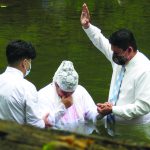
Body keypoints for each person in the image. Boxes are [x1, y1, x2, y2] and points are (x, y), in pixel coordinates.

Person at [80, 3, 150, 138]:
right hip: (113, 126)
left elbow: (144, 107)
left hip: (136, 130)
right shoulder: (119, 58)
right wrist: (87, 26)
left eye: (117, 53)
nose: (113, 56)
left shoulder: (145, 70)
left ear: (129, 50)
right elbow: (101, 42)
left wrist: (113, 109)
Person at [38, 60, 99, 134]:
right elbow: (43, 123)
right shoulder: (43, 95)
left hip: (80, 138)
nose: (68, 96)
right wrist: (63, 107)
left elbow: (90, 112)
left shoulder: (80, 91)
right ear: (56, 85)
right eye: (64, 92)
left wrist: (100, 113)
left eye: (71, 92)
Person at [0, 40, 50, 128]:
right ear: (25, 63)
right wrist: (43, 122)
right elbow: (35, 125)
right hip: (17, 138)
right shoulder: (27, 88)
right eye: (30, 61)